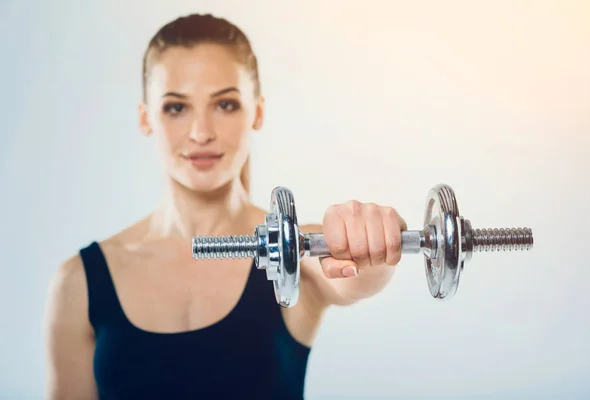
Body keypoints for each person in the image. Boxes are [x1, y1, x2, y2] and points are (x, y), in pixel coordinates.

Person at [43, 13, 407, 399]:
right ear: (145, 117)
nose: (201, 132)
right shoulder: (78, 283)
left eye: (226, 105)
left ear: (258, 111)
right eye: (176, 108)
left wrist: (375, 243)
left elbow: (355, 276)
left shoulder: (296, 250)